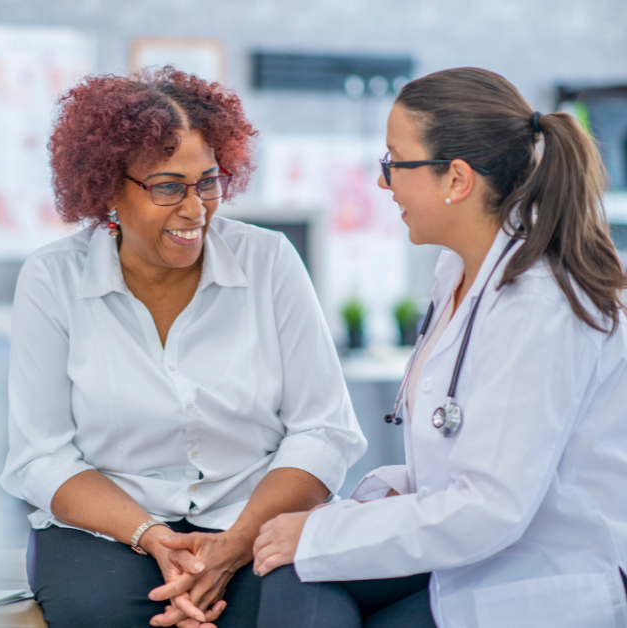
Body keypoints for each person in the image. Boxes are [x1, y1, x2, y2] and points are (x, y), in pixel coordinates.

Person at [250, 67, 627, 628]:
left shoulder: (538, 303)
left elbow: (490, 506)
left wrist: (323, 530)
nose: (383, 183)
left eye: (393, 162)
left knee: (302, 563)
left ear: (456, 179)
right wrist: (378, 496)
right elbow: (483, 455)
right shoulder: (460, 271)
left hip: (539, 580)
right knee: (292, 578)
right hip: (479, 555)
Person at [0, 67, 367, 628]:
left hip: (257, 514)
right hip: (111, 528)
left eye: (208, 182)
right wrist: (152, 536)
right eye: (168, 187)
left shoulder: (268, 261)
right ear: (107, 190)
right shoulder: (52, 280)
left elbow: (323, 430)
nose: (196, 210)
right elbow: (42, 456)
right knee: (107, 613)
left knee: (291, 609)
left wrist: (235, 545)